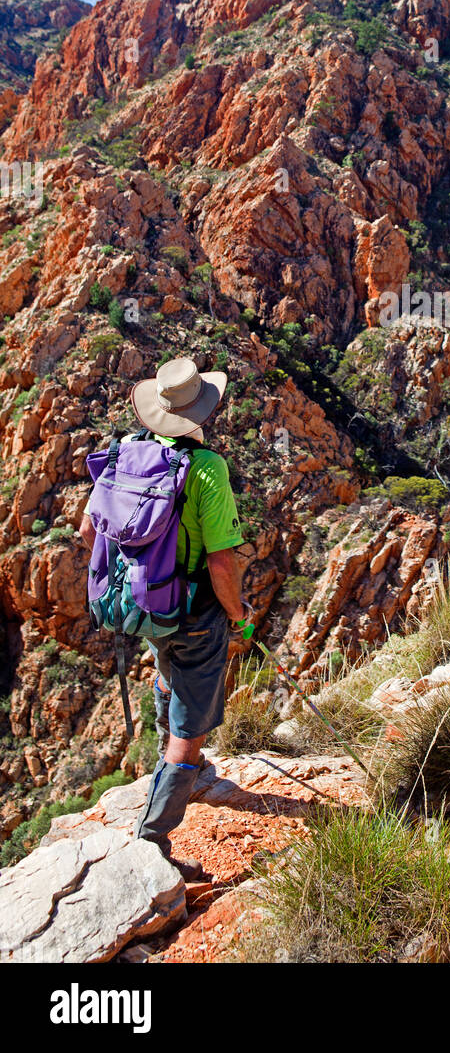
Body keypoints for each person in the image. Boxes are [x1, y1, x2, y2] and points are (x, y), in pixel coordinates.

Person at [79, 356, 247, 880]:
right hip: (194, 610)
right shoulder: (206, 468)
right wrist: (239, 617)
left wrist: (136, 570)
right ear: (204, 410)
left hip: (145, 601)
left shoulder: (127, 454)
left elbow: (89, 532)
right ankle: (153, 838)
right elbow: (221, 561)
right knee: (190, 729)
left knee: (164, 671)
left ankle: (169, 770)